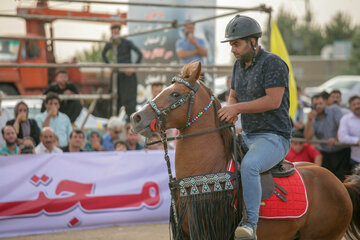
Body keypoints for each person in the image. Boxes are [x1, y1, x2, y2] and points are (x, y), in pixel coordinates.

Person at [218, 15, 292, 239]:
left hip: (274, 137)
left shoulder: (274, 63)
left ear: (252, 41)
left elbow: (273, 101)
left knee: (249, 166)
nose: (233, 49)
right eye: (231, 44)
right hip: (247, 135)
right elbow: (233, 96)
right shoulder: (237, 66)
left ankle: (250, 225)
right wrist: (230, 110)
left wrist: (236, 108)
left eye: (236, 44)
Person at [304, 94, 350, 181]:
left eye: (320, 103)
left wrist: (336, 139)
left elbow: (342, 125)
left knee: (343, 181)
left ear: (325, 103)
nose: (318, 106)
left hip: (342, 153)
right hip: (326, 154)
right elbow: (308, 136)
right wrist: (309, 120)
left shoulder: (334, 109)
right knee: (328, 181)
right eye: (316, 104)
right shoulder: (313, 117)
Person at [101, 23, 143, 120]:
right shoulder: (110, 43)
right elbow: (103, 54)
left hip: (128, 75)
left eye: (117, 32)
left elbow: (139, 54)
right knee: (114, 99)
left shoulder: (127, 42)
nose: (115, 34)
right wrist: (109, 65)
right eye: (113, 32)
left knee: (130, 102)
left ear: (120, 32)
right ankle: (112, 124)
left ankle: (131, 126)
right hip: (116, 74)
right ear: (111, 33)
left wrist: (133, 68)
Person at [338, 95, 360, 172]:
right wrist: (357, 141)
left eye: (358, 103)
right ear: (350, 107)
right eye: (354, 104)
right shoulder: (346, 119)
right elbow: (342, 137)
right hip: (356, 160)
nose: (357, 106)